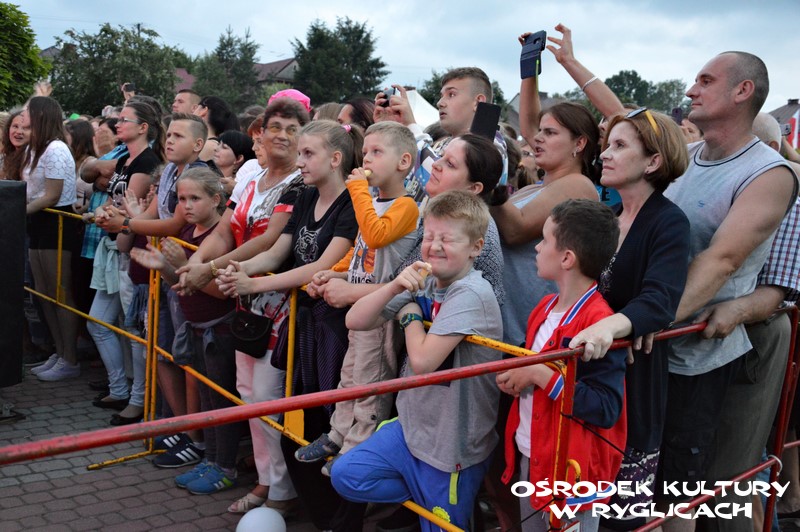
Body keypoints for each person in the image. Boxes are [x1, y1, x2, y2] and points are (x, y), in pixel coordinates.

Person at [654, 52, 796, 532]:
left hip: (699, 356)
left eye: (705, 80)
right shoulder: (686, 159)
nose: (690, 90)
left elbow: (723, 260)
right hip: (654, 347)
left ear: (742, 91)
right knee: (642, 489)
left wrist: (641, 320)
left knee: (689, 494)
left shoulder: (770, 173)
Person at [217, 119, 360, 529]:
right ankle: (303, 502)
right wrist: (238, 270)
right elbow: (279, 252)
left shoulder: (352, 201)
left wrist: (254, 282)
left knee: (324, 419)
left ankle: (330, 511)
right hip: (302, 322)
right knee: (294, 416)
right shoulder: (306, 194)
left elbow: (322, 265)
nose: (300, 162)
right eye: (300, 154)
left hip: (332, 328)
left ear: (336, 158)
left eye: (308, 154)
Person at [332, 190, 503, 532]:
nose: (434, 246)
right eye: (429, 236)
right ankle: (421, 492)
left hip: (450, 446)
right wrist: (395, 286)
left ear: (476, 247)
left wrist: (410, 317)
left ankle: (430, 496)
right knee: (347, 474)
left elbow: (423, 362)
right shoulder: (424, 281)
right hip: (412, 429)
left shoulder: (471, 292)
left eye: (447, 239)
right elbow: (355, 320)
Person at [175, 96, 309, 515]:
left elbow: (269, 240)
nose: (282, 136)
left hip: (280, 305)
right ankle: (266, 482)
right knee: (249, 396)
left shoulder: (299, 184)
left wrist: (210, 267)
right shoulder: (253, 180)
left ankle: (281, 491)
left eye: (292, 129)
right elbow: (225, 230)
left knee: (268, 399)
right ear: (260, 134)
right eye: (275, 127)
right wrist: (196, 263)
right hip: (245, 304)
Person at [564, 109, 691, 530]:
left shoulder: (669, 221)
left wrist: (612, 326)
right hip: (593, 373)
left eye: (620, 146)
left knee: (621, 513)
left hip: (634, 380)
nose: (605, 155)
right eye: (608, 145)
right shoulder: (608, 218)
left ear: (653, 161)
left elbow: (660, 299)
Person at [297, 122, 419, 474]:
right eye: (365, 152)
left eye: (377, 152)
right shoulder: (372, 202)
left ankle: (356, 448)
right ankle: (338, 434)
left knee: (370, 384)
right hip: (358, 310)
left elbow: (376, 235)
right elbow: (360, 251)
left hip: (380, 313)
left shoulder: (406, 207)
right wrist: (333, 272)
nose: (367, 159)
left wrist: (358, 192)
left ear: (404, 162)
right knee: (349, 376)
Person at [497, 199, 625, 532]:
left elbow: (605, 407)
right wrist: (518, 376)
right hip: (532, 454)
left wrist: (539, 374)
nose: (537, 248)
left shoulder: (598, 322)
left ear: (567, 258)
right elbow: (533, 369)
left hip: (572, 473)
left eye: (544, 240)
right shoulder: (543, 307)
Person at [131, 167, 241, 493]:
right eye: (181, 199)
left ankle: (226, 466)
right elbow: (183, 285)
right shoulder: (189, 232)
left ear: (217, 199)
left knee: (221, 400)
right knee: (206, 398)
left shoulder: (221, 237)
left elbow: (221, 292)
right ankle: (210, 458)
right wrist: (165, 267)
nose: (187, 206)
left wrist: (178, 265)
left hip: (219, 331)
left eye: (195, 198)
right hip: (196, 328)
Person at [86, 100, 163, 412]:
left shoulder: (147, 162)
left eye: (124, 120)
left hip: (131, 252)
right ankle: (120, 388)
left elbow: (132, 209)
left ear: (143, 127)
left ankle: (137, 399)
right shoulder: (123, 160)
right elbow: (112, 200)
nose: (117, 124)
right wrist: (102, 212)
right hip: (114, 249)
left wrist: (105, 214)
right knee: (100, 322)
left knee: (132, 330)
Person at [20, 96, 82, 381]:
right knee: (43, 292)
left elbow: (52, 196)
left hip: (56, 221)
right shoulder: (35, 148)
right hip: (38, 220)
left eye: (27, 111)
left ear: (41, 116)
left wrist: (17, 211)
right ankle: (59, 351)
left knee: (59, 292)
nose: (23, 115)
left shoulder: (56, 148)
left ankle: (70, 357)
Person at [194, 96, 239, 163]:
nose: (192, 112)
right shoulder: (210, 144)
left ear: (203, 111)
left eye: (196, 108)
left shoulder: (208, 146)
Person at [214, 130, 255, 194]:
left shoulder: (239, 188)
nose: (216, 149)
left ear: (239, 159)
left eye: (224, 147)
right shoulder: (205, 171)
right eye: (218, 144)